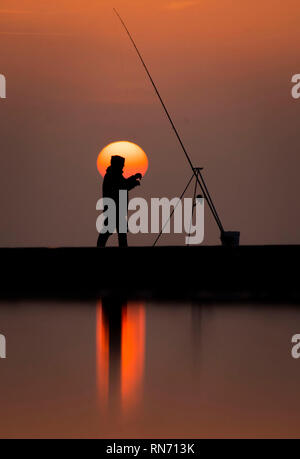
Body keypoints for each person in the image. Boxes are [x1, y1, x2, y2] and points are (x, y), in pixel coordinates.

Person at [97, 155, 142, 247]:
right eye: (122, 164)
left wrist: (133, 179)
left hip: (117, 209)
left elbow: (123, 185)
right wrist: (134, 180)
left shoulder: (114, 175)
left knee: (119, 231)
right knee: (112, 230)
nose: (123, 166)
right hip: (114, 209)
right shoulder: (112, 175)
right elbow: (122, 187)